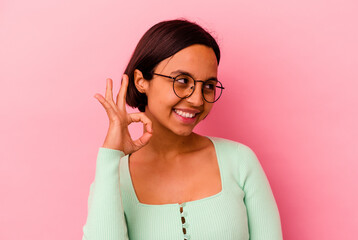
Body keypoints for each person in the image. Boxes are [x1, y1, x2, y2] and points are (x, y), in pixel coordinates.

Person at [82, 18, 283, 240]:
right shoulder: (113, 176)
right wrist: (110, 154)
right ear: (141, 81)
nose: (197, 100)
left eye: (208, 86)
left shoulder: (240, 161)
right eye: (182, 80)